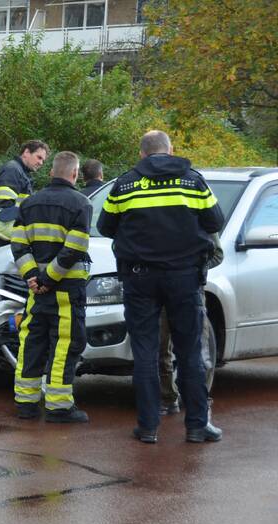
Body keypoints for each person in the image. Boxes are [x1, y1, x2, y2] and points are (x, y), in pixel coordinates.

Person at [97, 130, 225, 444]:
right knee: (190, 352)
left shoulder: (124, 184)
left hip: (139, 278)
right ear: (170, 150)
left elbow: (104, 227)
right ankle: (196, 425)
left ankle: (148, 426)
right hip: (184, 277)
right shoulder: (193, 181)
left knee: (145, 352)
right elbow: (215, 222)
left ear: (142, 155)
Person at [11, 151, 91, 423]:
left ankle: (26, 403)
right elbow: (74, 248)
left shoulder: (29, 203)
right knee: (65, 344)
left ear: (51, 172)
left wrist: (33, 277)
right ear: (74, 173)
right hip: (66, 290)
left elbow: (18, 245)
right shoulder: (81, 203)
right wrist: (49, 279)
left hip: (35, 291)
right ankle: (58, 407)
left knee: (31, 341)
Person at [159, 237, 223, 415]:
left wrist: (194, 269)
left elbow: (217, 254)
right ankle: (168, 398)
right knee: (161, 347)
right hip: (162, 290)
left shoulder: (200, 212)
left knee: (198, 349)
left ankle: (201, 400)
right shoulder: (159, 214)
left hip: (191, 290)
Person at [0, 140, 50, 251]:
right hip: (2, 237)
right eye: (39, 157)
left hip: (4, 236)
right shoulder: (12, 170)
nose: (41, 163)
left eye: (43, 160)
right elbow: (4, 210)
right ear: (26, 152)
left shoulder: (21, 173)